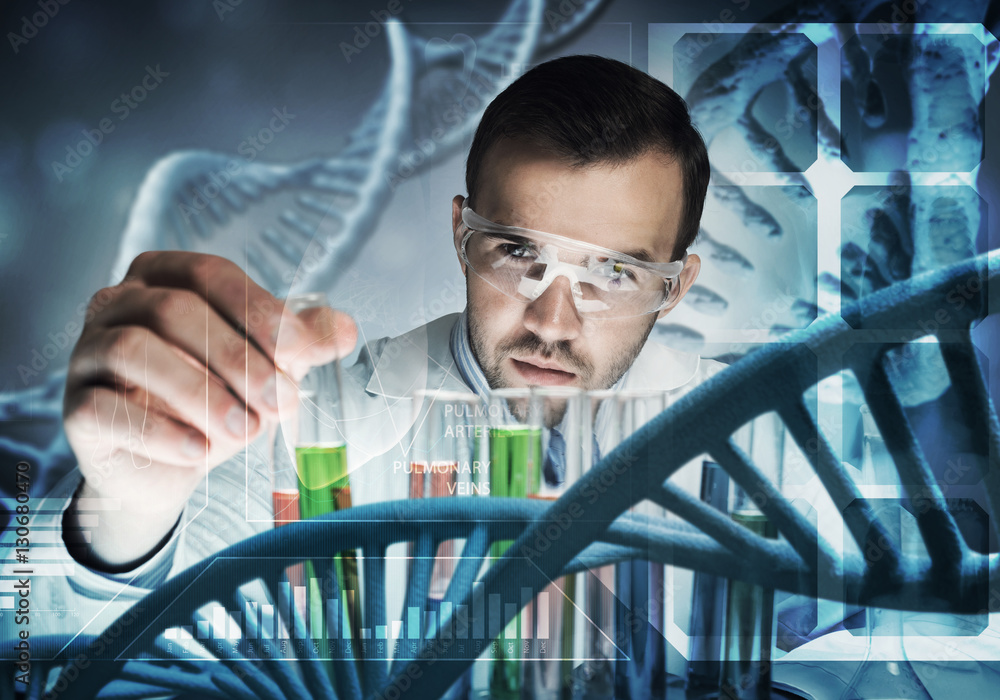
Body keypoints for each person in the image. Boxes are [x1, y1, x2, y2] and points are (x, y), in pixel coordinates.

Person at [9, 55, 720, 653]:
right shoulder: (304, 418)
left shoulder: (753, 456)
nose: (554, 323)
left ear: (677, 286)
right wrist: (122, 514)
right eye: (517, 251)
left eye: (615, 274)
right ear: (461, 235)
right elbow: (81, 642)